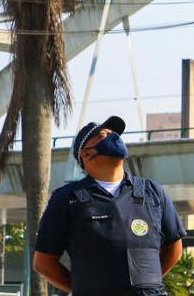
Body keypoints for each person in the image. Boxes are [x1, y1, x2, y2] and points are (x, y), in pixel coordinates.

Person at [33, 115, 186, 295]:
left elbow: (174, 249)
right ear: (86, 154)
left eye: (114, 133)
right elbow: (43, 263)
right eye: (102, 135)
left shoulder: (152, 191)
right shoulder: (66, 199)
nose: (112, 136)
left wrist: (145, 285)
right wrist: (84, 289)